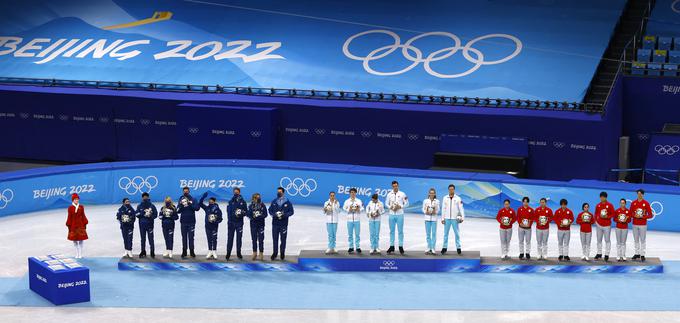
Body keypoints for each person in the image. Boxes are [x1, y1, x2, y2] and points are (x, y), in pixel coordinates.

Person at [178, 187, 204, 259]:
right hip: (183, 221)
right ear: (183, 192)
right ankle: (184, 251)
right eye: (184, 191)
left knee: (191, 237)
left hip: (191, 222)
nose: (185, 192)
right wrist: (181, 206)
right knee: (184, 237)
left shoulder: (193, 199)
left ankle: (192, 251)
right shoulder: (181, 199)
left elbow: (197, 208)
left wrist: (190, 204)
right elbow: (178, 211)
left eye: (187, 191)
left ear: (189, 191)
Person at [268, 187, 294, 260]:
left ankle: (282, 253)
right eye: (278, 192)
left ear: (283, 192)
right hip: (275, 224)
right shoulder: (274, 201)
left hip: (283, 224)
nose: (278, 193)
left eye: (280, 192)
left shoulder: (287, 202)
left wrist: (284, 215)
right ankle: (275, 253)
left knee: (283, 239)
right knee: (275, 239)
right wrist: (274, 214)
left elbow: (291, 212)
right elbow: (270, 210)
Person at [630, 189, 654, 262]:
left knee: (642, 240)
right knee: (636, 239)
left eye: (640, 194)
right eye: (638, 194)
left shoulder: (646, 203)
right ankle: (637, 253)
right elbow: (630, 213)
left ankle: (642, 254)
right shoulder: (633, 203)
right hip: (635, 224)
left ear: (643, 195)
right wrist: (634, 215)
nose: (639, 195)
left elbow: (650, 215)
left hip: (643, 224)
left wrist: (642, 217)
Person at [385, 181, 409, 255]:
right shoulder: (389, 194)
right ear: (392, 186)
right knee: (391, 231)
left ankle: (400, 246)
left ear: (398, 186)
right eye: (393, 186)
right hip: (391, 214)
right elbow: (386, 203)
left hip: (400, 215)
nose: (395, 187)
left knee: (400, 231)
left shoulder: (402, 194)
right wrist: (390, 207)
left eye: (396, 186)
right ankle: (392, 246)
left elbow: (407, 203)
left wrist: (400, 206)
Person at [441, 184, 464, 255]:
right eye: (450, 189)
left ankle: (458, 248)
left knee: (457, 234)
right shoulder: (445, 198)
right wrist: (442, 218)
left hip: (455, 219)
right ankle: (444, 248)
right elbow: (443, 208)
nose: (451, 190)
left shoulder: (458, 198)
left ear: (454, 190)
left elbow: (461, 208)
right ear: (448, 190)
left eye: (452, 189)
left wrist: (462, 217)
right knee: (445, 234)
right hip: (447, 218)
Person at [226, 187, 247, 260]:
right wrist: (229, 221)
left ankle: (238, 253)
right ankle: (228, 253)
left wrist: (241, 213)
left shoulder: (243, 202)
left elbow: (246, 212)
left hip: (239, 223)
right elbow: (228, 212)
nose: (236, 193)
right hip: (231, 223)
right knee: (230, 239)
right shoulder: (230, 201)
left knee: (239, 239)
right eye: (235, 192)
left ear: (239, 192)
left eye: (237, 192)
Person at [594, 191, 615, 262]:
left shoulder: (610, 205)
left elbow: (613, 214)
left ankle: (607, 254)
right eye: (601, 197)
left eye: (603, 197)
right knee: (599, 240)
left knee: (607, 240)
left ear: (606, 197)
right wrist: (596, 222)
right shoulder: (598, 205)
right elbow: (595, 214)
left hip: (607, 226)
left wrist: (607, 216)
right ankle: (599, 253)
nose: (602, 198)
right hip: (599, 225)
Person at [200, 196, 223, 260]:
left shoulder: (218, 209)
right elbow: (200, 204)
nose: (210, 201)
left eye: (212, 200)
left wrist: (215, 221)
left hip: (214, 227)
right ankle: (210, 251)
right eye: (209, 200)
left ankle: (214, 251)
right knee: (209, 239)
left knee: (214, 239)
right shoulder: (207, 208)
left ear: (214, 201)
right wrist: (203, 197)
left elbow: (220, 219)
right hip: (207, 226)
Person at [136, 192, 158, 258]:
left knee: (151, 239)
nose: (145, 198)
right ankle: (143, 251)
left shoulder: (152, 206)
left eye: (146, 197)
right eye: (144, 197)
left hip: (150, 225)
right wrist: (143, 213)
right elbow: (136, 214)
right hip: (142, 225)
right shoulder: (139, 206)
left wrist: (150, 216)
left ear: (148, 197)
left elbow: (156, 214)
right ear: (142, 198)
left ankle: (152, 252)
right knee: (143, 239)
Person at [246, 193, 268, 261]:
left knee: (261, 239)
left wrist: (260, 216)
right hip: (253, 225)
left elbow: (266, 214)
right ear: (253, 198)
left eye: (259, 198)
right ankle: (254, 253)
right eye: (257, 198)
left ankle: (261, 253)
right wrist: (253, 217)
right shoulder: (250, 206)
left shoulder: (262, 205)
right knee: (254, 239)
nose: (258, 199)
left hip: (261, 224)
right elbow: (248, 214)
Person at [66, 193, 88, 259]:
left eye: (77, 199)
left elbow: (83, 215)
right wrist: (68, 224)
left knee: (81, 240)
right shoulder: (70, 208)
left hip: (80, 225)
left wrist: (85, 222)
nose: (77, 200)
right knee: (74, 240)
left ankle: (81, 254)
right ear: (73, 200)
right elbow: (69, 217)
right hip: (73, 225)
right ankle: (77, 253)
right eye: (75, 199)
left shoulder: (81, 207)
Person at [343, 188, 364, 253]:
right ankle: (351, 247)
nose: (352, 193)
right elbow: (344, 208)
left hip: (357, 220)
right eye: (351, 192)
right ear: (350, 193)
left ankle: (357, 247)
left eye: (354, 192)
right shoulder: (347, 201)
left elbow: (363, 208)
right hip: (349, 220)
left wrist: (359, 210)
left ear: (356, 193)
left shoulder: (359, 201)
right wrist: (348, 210)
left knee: (357, 234)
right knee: (350, 234)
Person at [422, 188, 440, 255]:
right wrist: (426, 212)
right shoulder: (425, 201)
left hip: (434, 219)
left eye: (433, 193)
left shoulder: (437, 201)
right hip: (427, 219)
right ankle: (428, 247)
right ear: (429, 193)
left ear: (435, 194)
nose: (432, 194)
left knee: (434, 234)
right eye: (431, 193)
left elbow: (438, 210)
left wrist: (435, 212)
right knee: (428, 234)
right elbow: (423, 209)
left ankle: (433, 248)